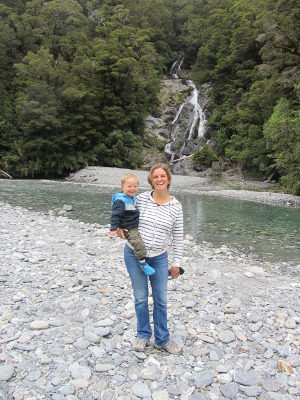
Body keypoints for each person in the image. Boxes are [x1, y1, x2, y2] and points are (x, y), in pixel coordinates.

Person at [117, 163, 184, 355]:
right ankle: (143, 335)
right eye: (155, 177)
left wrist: (176, 263)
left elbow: (178, 237)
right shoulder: (141, 199)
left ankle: (163, 339)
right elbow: (122, 209)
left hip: (160, 258)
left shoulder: (176, 206)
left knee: (161, 300)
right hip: (134, 255)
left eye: (163, 176)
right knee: (140, 298)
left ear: (168, 179)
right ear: (151, 180)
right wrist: (119, 227)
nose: (159, 179)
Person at [110, 173, 155, 276]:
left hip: (132, 225)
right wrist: (114, 228)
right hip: (128, 228)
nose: (132, 189)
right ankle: (143, 264)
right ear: (122, 186)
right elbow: (115, 215)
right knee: (139, 244)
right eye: (129, 186)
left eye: (135, 186)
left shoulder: (132, 197)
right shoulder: (121, 200)